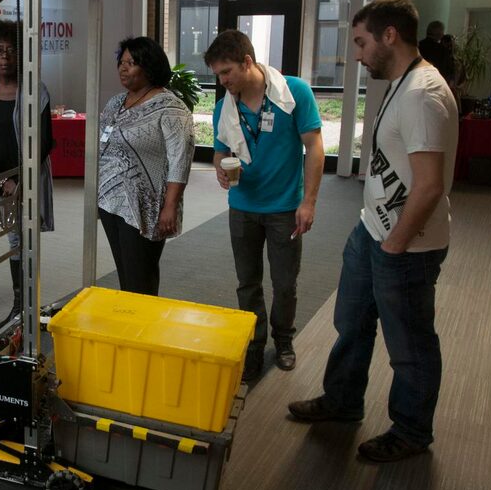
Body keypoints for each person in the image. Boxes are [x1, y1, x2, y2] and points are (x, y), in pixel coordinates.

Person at [289, 0, 458, 463]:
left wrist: (394, 246)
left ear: (390, 35)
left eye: (362, 42)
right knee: (352, 323)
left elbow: (428, 188)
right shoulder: (403, 84)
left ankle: (411, 430)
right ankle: (342, 401)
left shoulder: (423, 93)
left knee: (410, 344)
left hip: (406, 245)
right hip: (373, 231)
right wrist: (375, 237)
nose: (358, 55)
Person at [205, 29, 324, 379]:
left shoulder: (294, 92)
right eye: (218, 75)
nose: (223, 81)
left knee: (285, 282)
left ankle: (284, 340)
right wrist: (221, 171)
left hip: (285, 208)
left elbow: (314, 148)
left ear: (247, 61)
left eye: (227, 72)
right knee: (248, 282)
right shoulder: (224, 109)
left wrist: (309, 201)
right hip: (243, 206)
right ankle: (254, 344)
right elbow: (219, 153)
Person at [98, 36, 194, 296]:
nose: (123, 68)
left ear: (149, 67)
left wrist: (171, 206)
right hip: (110, 203)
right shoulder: (115, 102)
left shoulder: (171, 108)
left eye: (132, 62)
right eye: (122, 61)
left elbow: (180, 161)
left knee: (141, 278)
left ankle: (144, 331)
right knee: (125, 276)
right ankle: (129, 329)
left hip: (146, 206)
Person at [0, 20, 54, 324]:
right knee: (14, 241)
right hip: (0, 184)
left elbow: (46, 141)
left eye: (10, 50)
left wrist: (19, 179)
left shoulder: (36, 91)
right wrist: (1, 179)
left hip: (29, 181)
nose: (4, 57)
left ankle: (29, 304)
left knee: (27, 239)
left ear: (22, 54)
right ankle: (21, 306)